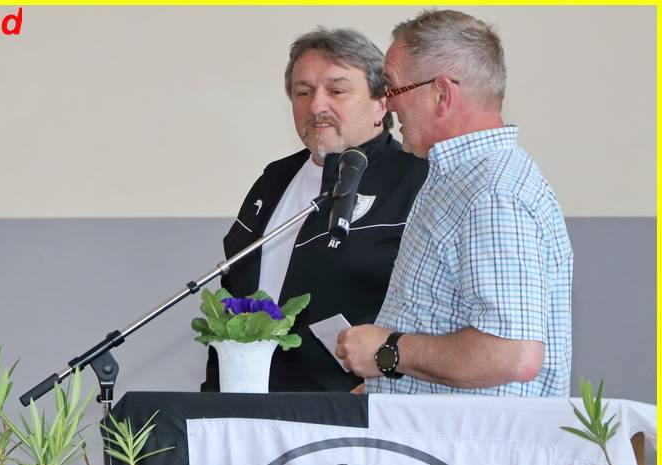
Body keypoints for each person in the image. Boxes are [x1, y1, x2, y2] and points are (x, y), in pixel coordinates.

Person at [335, 10, 573, 397]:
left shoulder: (494, 193)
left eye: (393, 89)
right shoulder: (462, 180)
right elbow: (440, 320)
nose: (388, 106)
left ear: (442, 94)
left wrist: (389, 351)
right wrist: (383, 389)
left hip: (470, 438)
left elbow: (512, 354)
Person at [202, 28, 428, 392]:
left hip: (352, 410)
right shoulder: (273, 181)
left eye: (337, 91)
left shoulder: (416, 181)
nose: (317, 106)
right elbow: (232, 298)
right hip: (248, 405)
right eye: (303, 92)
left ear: (382, 102)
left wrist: (377, 389)